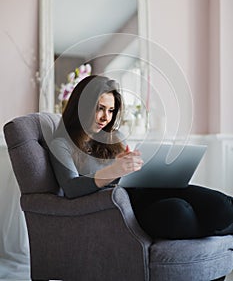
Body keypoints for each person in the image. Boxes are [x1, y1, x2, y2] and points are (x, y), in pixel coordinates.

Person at [49, 75, 233, 239]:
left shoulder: (115, 137)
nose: (106, 117)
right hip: (127, 210)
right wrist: (113, 171)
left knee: (223, 205)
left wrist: (135, 166)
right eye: (100, 108)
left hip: (148, 192)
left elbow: (130, 175)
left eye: (111, 110)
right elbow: (71, 188)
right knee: (180, 213)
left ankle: (216, 228)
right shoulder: (61, 144)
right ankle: (219, 231)